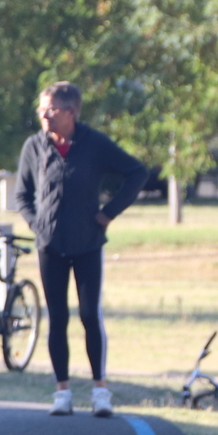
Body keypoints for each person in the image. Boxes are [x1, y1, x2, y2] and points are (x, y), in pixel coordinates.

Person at [15, 81, 149, 418]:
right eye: (41, 108)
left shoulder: (94, 144)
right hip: (50, 245)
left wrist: (108, 213)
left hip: (87, 243)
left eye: (51, 109)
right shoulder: (34, 146)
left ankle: (100, 391)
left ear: (71, 112)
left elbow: (136, 172)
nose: (44, 115)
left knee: (89, 315)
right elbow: (22, 195)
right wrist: (36, 224)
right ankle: (62, 392)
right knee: (57, 317)